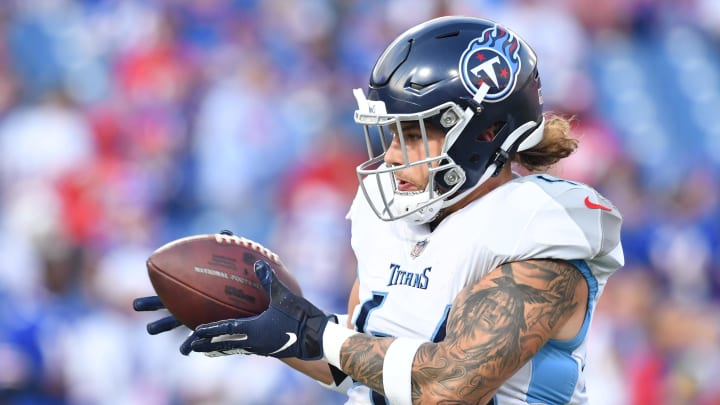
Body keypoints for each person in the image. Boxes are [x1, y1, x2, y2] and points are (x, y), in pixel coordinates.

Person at [134, 15, 624, 404]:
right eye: (391, 133)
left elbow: (447, 387)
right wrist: (269, 323)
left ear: (486, 133)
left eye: (413, 133)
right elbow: (362, 370)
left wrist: (314, 332)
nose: (392, 154)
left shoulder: (540, 228)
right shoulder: (388, 219)